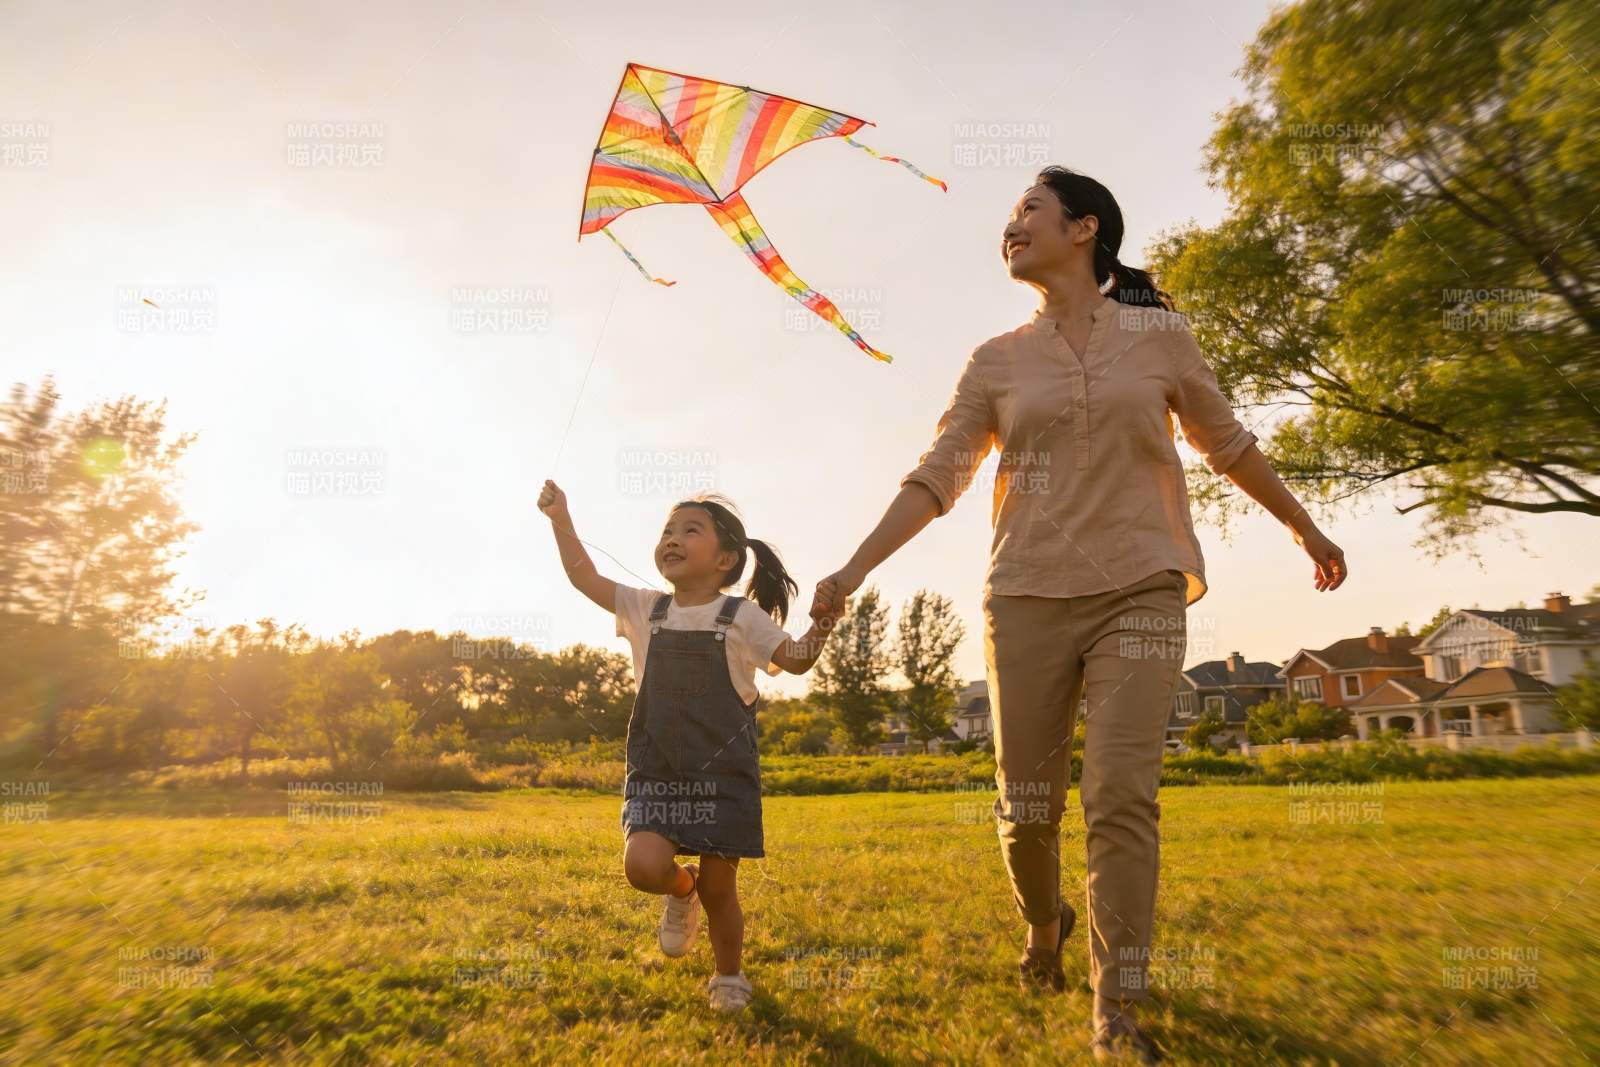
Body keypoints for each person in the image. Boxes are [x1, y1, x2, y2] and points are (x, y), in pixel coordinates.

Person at [814, 166, 1348, 1063]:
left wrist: (1304, 526)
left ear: (1084, 228)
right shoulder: (995, 359)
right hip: (1024, 592)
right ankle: (1044, 921)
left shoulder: (1160, 336)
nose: (1011, 226)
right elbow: (940, 473)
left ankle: (1118, 1008)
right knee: (1026, 810)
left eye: (1029, 209)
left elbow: (1229, 443)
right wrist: (853, 567)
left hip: (1142, 582)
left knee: (1118, 795)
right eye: (1011, 215)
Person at [538, 479, 842, 1013]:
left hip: (723, 778)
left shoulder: (742, 617)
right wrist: (560, 518)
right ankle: (682, 892)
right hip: (657, 773)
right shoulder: (644, 608)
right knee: (643, 867)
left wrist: (822, 622)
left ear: (726, 558)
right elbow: (582, 576)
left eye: (689, 530)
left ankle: (729, 976)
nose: (672, 538)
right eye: (667, 530)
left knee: (722, 890)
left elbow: (795, 659)